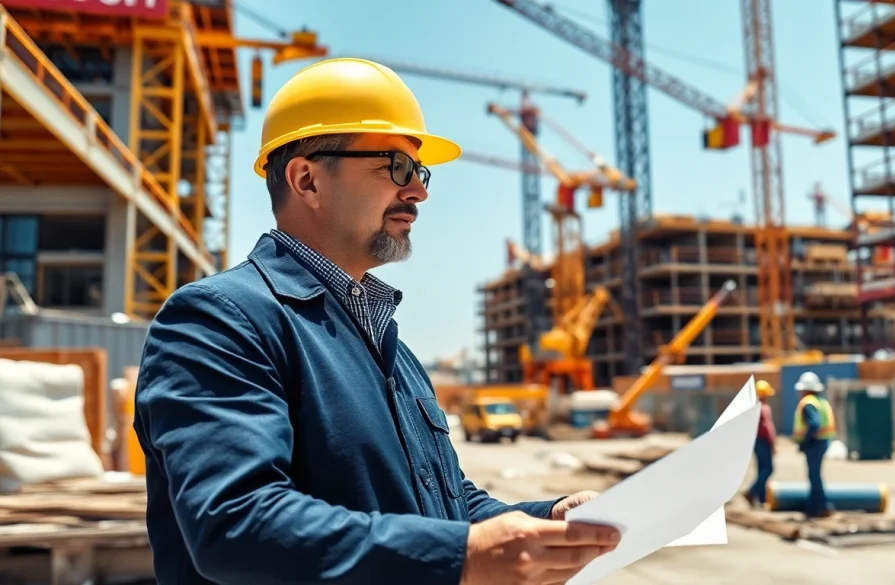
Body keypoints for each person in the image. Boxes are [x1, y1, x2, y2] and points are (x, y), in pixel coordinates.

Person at [132, 57, 620, 585]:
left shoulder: (389, 346)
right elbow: (236, 524)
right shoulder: (219, 322)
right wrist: (461, 556)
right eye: (397, 167)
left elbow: (443, 502)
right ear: (307, 179)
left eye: (420, 172)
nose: (419, 192)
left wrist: (547, 520)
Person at [791, 371, 836, 518]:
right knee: (814, 474)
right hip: (823, 441)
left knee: (814, 475)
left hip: (814, 443)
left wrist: (804, 442)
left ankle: (823, 506)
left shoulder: (808, 403)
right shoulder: (821, 401)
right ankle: (812, 506)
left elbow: (814, 424)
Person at [742, 380, 776, 508]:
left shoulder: (754, 407)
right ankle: (751, 491)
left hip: (755, 441)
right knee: (768, 469)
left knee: (761, 469)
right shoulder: (764, 408)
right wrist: (773, 444)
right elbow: (768, 428)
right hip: (763, 441)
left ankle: (761, 499)